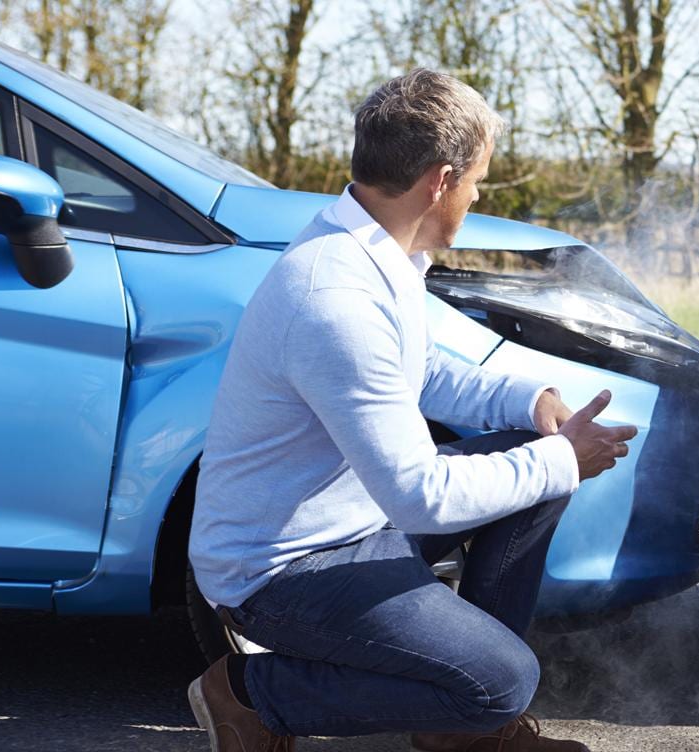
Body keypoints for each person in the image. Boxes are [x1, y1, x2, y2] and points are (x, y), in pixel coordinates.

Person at [186, 68, 636, 752]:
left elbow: (416, 372)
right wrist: (562, 459)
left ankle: (463, 728)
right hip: (281, 570)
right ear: (440, 180)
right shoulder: (333, 296)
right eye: (479, 179)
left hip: (352, 521)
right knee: (503, 679)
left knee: (530, 452)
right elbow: (419, 496)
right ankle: (250, 694)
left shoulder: (373, 251)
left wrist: (530, 401)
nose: (479, 195)